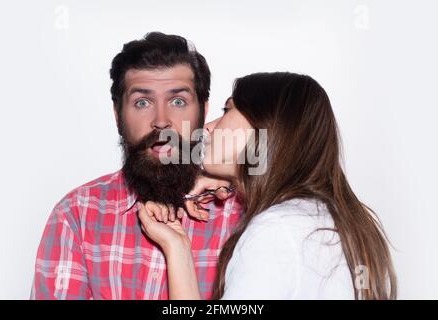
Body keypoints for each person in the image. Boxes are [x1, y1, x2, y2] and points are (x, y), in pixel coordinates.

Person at [138, 72, 397, 299]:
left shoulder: (276, 228)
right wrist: (178, 248)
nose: (207, 128)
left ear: (264, 125)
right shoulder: (332, 221)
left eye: (227, 110)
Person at [30, 32, 242, 300]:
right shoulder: (76, 215)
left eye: (178, 101)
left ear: (203, 112)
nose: (161, 121)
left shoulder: (244, 216)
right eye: (142, 102)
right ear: (118, 116)